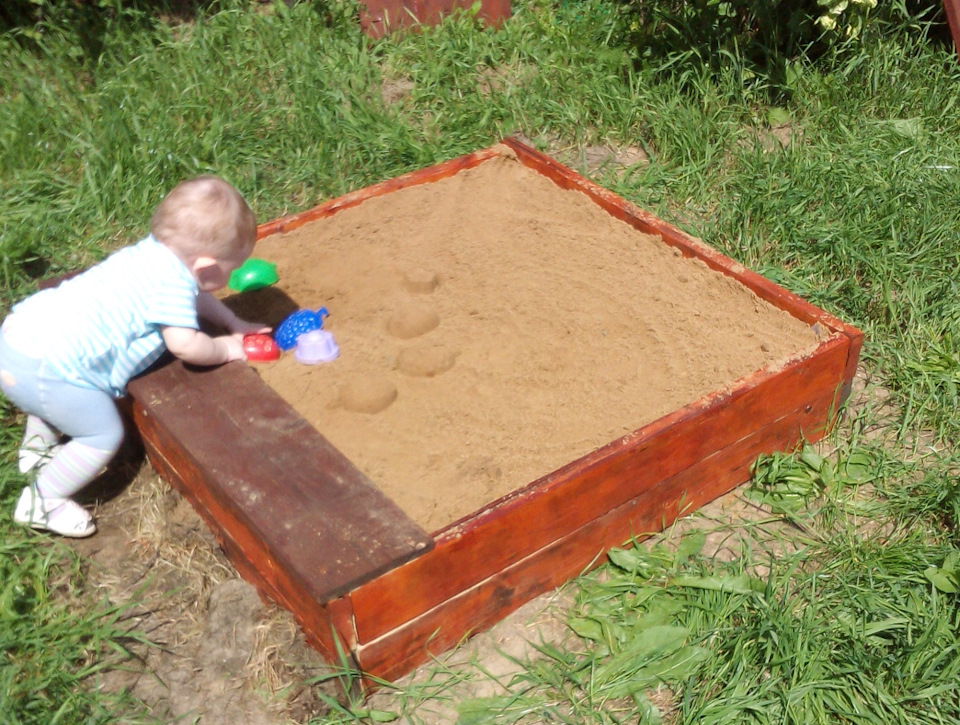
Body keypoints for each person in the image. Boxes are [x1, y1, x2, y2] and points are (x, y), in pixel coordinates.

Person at [0, 175, 270, 537]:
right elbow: (185, 345)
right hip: (50, 369)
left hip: (19, 339)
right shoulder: (173, 285)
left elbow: (194, 297)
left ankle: (36, 450)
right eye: (231, 268)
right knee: (101, 434)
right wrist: (226, 347)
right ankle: (43, 500)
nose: (231, 274)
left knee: (51, 398)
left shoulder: (150, 255)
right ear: (206, 266)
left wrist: (232, 321)